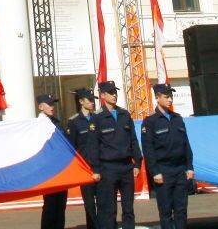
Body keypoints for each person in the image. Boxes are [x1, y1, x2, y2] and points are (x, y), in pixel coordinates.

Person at [88, 80, 142, 229]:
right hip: (107, 168)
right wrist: (96, 169)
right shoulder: (97, 118)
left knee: (128, 208)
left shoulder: (124, 114)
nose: (114, 95)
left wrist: (137, 162)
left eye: (115, 92)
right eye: (110, 93)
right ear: (103, 95)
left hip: (126, 167)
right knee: (108, 209)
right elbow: (93, 146)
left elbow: (133, 140)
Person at [141, 84, 193, 229]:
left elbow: (186, 144)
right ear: (157, 98)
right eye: (166, 97)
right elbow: (148, 149)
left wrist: (189, 167)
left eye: (171, 96)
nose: (170, 100)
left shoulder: (177, 118)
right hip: (163, 171)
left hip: (180, 169)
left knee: (181, 210)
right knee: (165, 211)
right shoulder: (150, 121)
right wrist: (155, 171)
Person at [66, 88, 99, 229]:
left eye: (93, 100)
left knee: (104, 201)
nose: (92, 103)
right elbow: (72, 147)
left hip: (100, 165)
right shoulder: (74, 122)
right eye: (89, 100)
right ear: (81, 102)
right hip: (85, 168)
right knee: (90, 204)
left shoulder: (97, 118)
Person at [37, 94, 67, 229]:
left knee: (61, 205)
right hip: (48, 170)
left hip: (61, 168)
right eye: (48, 104)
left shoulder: (57, 122)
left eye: (52, 104)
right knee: (50, 205)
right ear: (40, 107)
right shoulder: (37, 125)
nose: (52, 107)